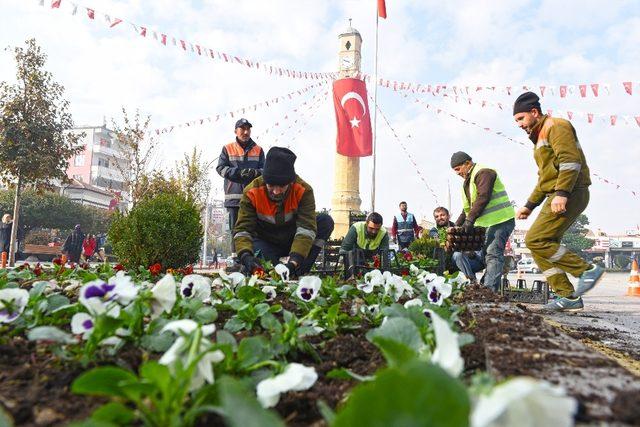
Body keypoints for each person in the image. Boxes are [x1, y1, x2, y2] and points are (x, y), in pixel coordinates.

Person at [513, 91, 604, 311]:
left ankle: (586, 270)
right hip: (559, 192)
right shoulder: (541, 137)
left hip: (572, 191)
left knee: (535, 239)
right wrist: (529, 205)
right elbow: (545, 178)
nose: (519, 124)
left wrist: (562, 193)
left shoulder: (556, 126)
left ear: (534, 112)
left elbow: (570, 162)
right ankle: (568, 295)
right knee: (537, 245)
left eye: (521, 118)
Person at [233, 147, 334, 278]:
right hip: (265, 241)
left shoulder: (303, 190)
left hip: (293, 240)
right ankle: (267, 266)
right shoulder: (252, 191)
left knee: (325, 221)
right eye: (271, 185)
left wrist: (294, 262)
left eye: (282, 186)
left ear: (290, 182)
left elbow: (306, 229)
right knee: (271, 273)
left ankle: (299, 270)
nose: (276, 191)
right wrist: (246, 257)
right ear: (265, 180)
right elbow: (243, 230)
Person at [451, 151, 515, 291]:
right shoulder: (468, 181)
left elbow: (483, 197)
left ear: (467, 163)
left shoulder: (484, 172)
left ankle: (489, 291)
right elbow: (467, 209)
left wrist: (469, 221)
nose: (457, 173)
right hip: (488, 224)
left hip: (501, 220)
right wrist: (455, 226)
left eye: (458, 169)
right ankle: (486, 286)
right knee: (488, 255)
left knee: (493, 253)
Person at [216, 118, 265, 258]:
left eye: (248, 128)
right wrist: (237, 173)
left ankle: (253, 258)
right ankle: (236, 259)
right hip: (234, 198)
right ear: (235, 131)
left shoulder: (259, 150)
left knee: (254, 229)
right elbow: (220, 168)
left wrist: (255, 173)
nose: (245, 131)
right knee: (235, 229)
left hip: (254, 197)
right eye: (242, 129)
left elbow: (265, 171)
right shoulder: (227, 148)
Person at [432, 207, 484, 283]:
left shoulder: (457, 227)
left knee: (485, 252)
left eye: (442, 215)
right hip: (450, 263)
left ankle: (486, 280)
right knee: (457, 255)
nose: (440, 218)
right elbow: (436, 238)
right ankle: (472, 280)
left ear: (448, 216)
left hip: (469, 259)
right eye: (437, 216)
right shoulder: (434, 231)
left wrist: (470, 251)